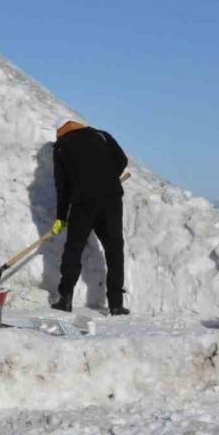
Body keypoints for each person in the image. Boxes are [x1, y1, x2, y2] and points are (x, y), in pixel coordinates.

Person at [50, 116, 130, 315]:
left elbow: (62, 187)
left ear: (60, 131)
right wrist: (108, 178)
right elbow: (122, 160)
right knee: (114, 249)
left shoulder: (61, 146)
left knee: (74, 248)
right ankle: (116, 304)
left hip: (83, 201)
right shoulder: (101, 135)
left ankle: (65, 299)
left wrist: (61, 217)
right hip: (111, 198)